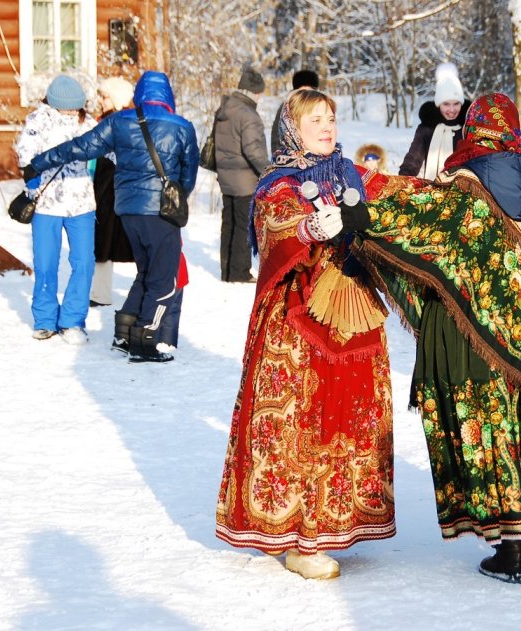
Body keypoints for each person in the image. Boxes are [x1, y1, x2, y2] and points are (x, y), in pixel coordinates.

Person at [355, 93, 521, 584]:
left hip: (476, 335)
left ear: (471, 134)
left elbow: (411, 215)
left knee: (492, 432)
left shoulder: (464, 193)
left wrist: (357, 192)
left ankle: (508, 553)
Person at [215, 89, 395, 581]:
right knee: (303, 418)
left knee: (346, 418)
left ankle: (336, 519)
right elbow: (275, 224)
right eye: (315, 118)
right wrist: (312, 226)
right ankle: (300, 537)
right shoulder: (279, 182)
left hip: (349, 317)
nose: (328, 126)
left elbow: (388, 206)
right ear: (292, 127)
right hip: (296, 322)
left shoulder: (349, 176)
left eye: (332, 118)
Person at [26, 70, 200, 363]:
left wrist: (40, 162)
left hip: (128, 212)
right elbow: (188, 176)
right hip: (160, 213)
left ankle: (123, 334)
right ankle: (145, 341)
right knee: (163, 279)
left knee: (145, 272)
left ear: (139, 95)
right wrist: (175, 196)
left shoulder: (120, 121)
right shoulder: (182, 127)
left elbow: (80, 148)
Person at [14, 74, 98, 344]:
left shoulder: (89, 123)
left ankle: (73, 321)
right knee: (46, 264)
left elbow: (109, 149)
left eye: (76, 106)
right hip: (47, 205)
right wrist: (32, 179)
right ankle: (45, 319)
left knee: (83, 263)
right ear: (54, 103)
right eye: (68, 106)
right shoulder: (38, 121)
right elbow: (25, 155)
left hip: (82, 203)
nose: (72, 111)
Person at [213, 66, 270, 283]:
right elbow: (253, 150)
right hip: (244, 179)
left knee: (228, 224)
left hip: (226, 177)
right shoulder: (249, 115)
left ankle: (227, 271)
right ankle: (239, 272)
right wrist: (269, 172)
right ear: (254, 91)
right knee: (244, 227)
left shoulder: (224, 109)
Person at [89, 77, 135, 307]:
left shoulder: (119, 122)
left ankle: (102, 294)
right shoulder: (107, 120)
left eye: (105, 96)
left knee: (120, 241)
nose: (101, 100)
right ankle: (100, 293)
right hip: (107, 187)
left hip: (114, 187)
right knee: (104, 242)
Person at [398, 62, 471, 179]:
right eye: (446, 104)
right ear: (438, 104)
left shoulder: (468, 128)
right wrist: (403, 178)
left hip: (464, 189)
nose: (452, 109)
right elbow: (413, 159)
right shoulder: (427, 128)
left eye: (456, 103)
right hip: (434, 189)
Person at [270, 69, 319, 152]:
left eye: (309, 91)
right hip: (291, 158)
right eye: (303, 91)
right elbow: (276, 136)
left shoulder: (320, 106)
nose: (306, 95)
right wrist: (280, 158)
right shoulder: (287, 106)